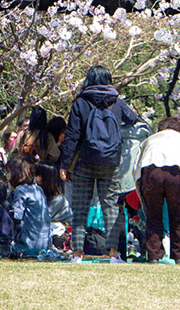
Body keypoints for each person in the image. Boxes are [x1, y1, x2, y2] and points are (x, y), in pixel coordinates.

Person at [59, 65, 138, 263]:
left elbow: (72, 135)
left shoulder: (81, 103)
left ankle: (77, 255)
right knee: (110, 207)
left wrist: (64, 163)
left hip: (84, 162)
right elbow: (133, 119)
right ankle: (113, 254)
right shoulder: (117, 102)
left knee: (80, 208)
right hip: (110, 163)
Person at [133, 116, 180, 264]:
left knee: (153, 215)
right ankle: (179, 256)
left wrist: (140, 187)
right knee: (177, 215)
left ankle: (154, 256)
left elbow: (137, 166)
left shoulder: (149, 140)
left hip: (151, 170)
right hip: (178, 172)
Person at [7, 157, 52, 256]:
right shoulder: (38, 189)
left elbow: (16, 218)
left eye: (9, 173)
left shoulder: (21, 190)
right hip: (45, 245)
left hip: (27, 245)